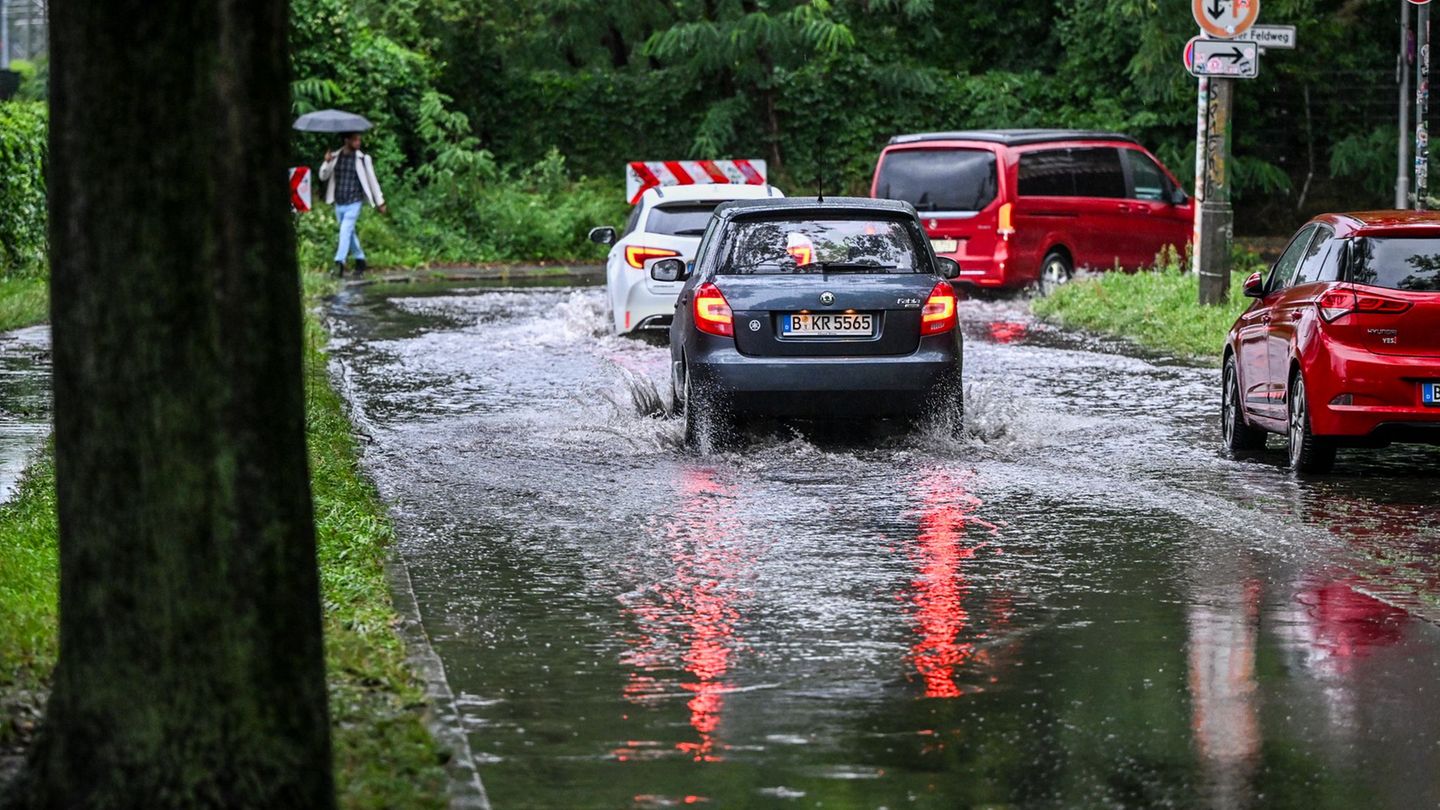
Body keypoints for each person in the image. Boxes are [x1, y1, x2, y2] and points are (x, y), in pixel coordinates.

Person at [319, 132, 387, 277]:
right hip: (339, 201)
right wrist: (326, 161)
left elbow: (372, 180)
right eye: (355, 140)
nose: (358, 143)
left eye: (359, 140)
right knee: (348, 233)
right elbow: (323, 176)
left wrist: (380, 201)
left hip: (354, 201)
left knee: (345, 229)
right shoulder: (336, 157)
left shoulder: (363, 159)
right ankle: (360, 260)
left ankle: (339, 262)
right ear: (346, 140)